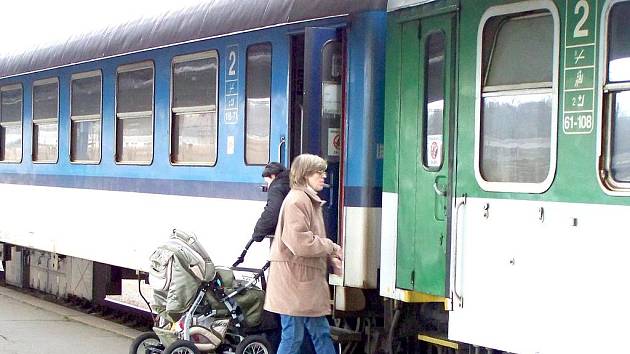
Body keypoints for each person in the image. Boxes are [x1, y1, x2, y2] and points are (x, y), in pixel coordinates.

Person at [264, 154, 343, 354]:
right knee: (293, 337)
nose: (323, 176)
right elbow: (300, 243)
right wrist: (331, 247)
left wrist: (330, 258)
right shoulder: (297, 201)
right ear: (305, 175)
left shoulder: (305, 199)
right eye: (318, 172)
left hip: (303, 283)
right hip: (294, 283)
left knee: (318, 332)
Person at [252, 162, 291, 242]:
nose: (268, 185)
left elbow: (272, 212)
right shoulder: (291, 183)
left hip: (285, 236)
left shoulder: (276, 188)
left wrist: (258, 232)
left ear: (273, 176)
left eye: (268, 182)